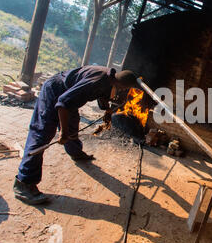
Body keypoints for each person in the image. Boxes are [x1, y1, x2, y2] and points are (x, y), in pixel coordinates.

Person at [13, 65, 137, 205]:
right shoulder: (98, 80)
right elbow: (63, 103)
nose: (123, 91)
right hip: (55, 91)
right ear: (120, 83)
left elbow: (102, 95)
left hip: (67, 97)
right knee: (42, 133)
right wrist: (63, 133)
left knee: (72, 125)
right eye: (124, 88)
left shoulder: (110, 78)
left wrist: (107, 110)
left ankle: (75, 152)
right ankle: (23, 183)